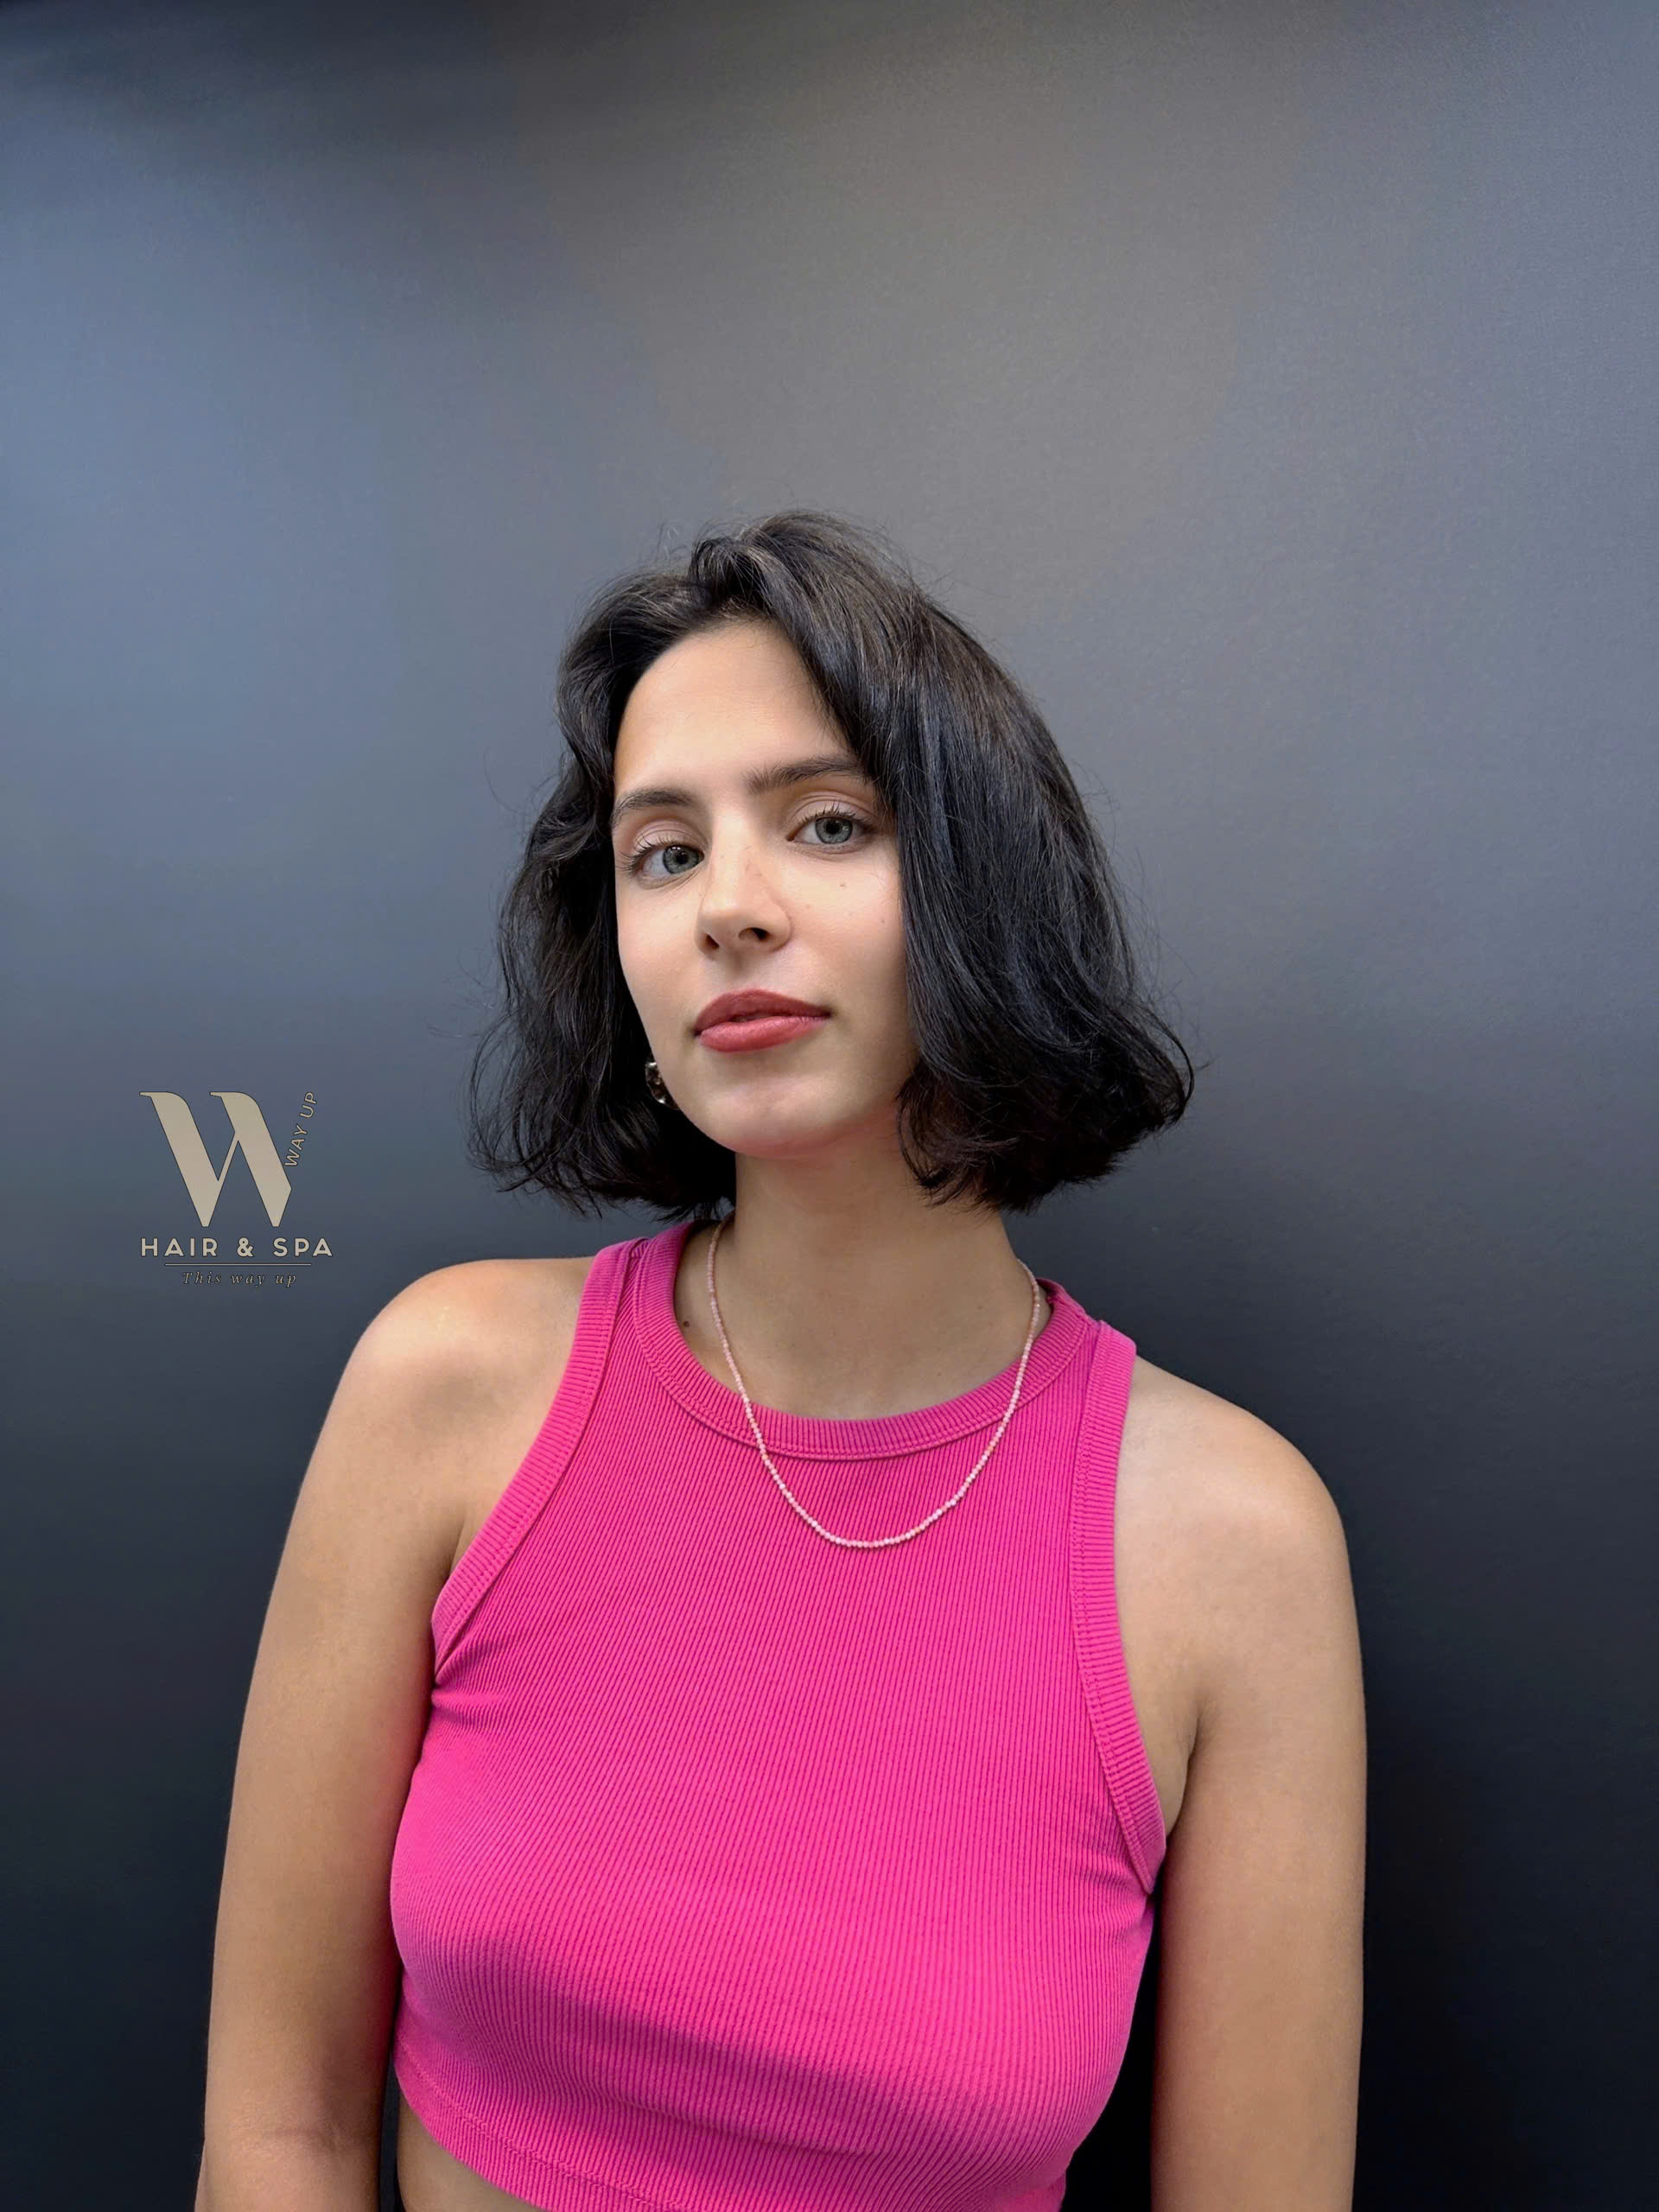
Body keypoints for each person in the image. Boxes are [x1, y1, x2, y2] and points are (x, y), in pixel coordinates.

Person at [194, 512, 1365, 2212]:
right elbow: (279, 2129)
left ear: (976, 882)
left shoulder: (1231, 1546)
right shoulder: (444, 1394)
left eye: (827, 824)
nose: (729, 909)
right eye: (663, 853)